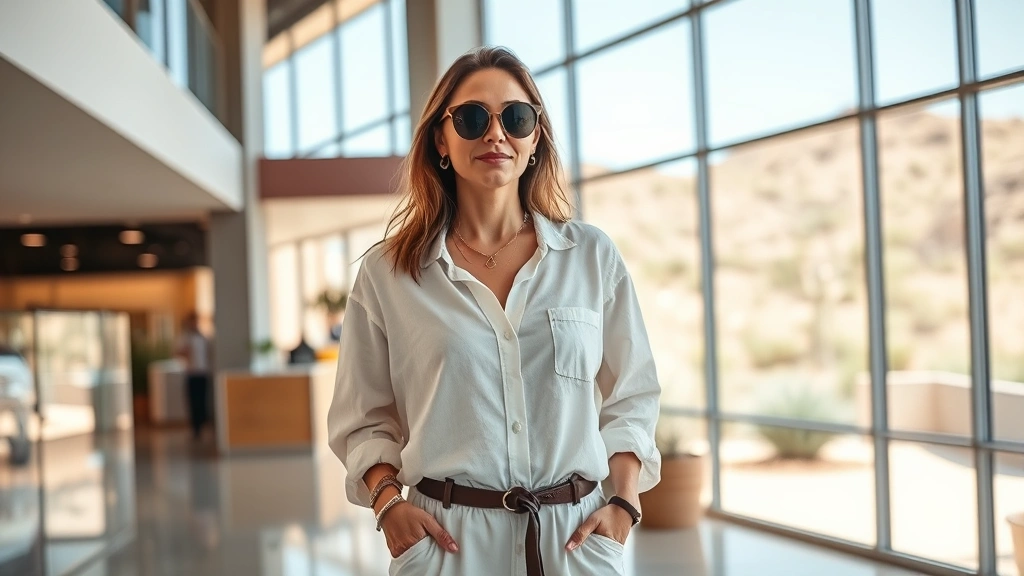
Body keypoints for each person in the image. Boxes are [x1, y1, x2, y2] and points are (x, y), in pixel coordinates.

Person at [327, 46, 661, 576]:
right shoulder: (387, 274)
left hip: (575, 543)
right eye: (473, 117)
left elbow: (632, 393)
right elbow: (362, 419)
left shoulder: (591, 257)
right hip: (446, 546)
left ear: (535, 140)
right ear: (441, 138)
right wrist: (389, 503)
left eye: (516, 117)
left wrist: (623, 501)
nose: (495, 133)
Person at [175, 312, 211, 440]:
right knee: (193, 402)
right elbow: (178, 352)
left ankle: (203, 425)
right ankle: (195, 428)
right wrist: (186, 352)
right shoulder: (185, 337)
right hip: (191, 373)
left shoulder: (204, 337)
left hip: (203, 373)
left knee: (202, 401)